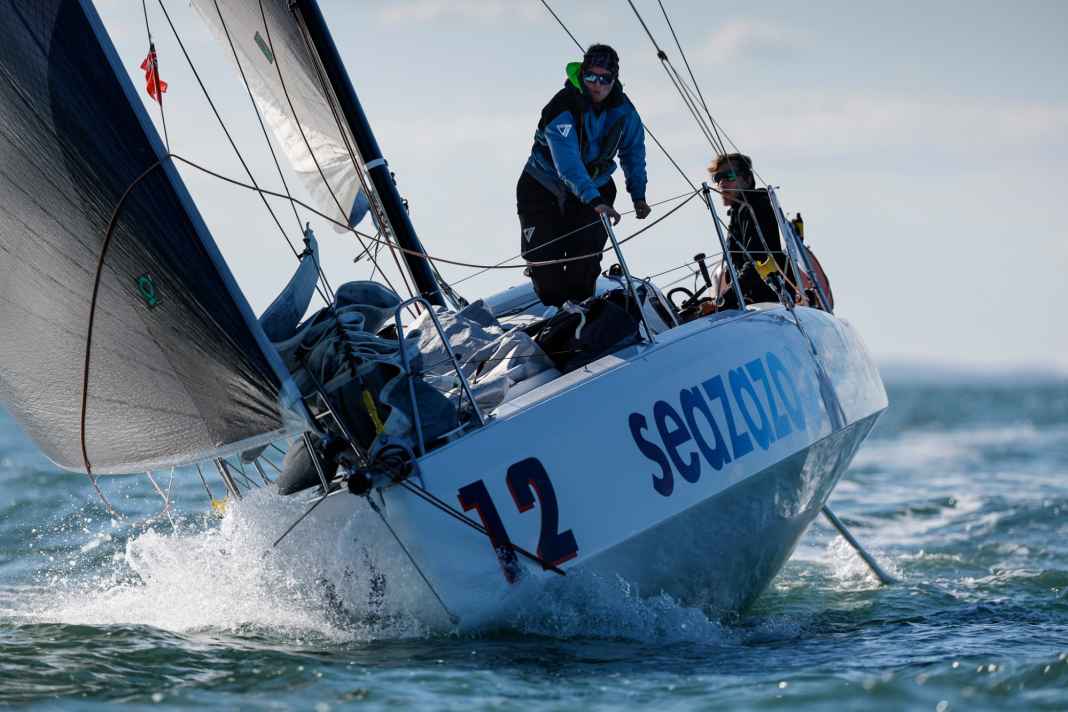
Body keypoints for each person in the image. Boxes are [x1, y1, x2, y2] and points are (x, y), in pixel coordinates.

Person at [517, 44, 650, 307]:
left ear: (614, 80)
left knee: (584, 264)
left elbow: (633, 151)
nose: (597, 85)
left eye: (604, 79)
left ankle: (585, 320)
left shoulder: (624, 110)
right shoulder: (562, 107)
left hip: (595, 187)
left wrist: (639, 195)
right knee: (546, 268)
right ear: (583, 74)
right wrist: (594, 200)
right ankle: (556, 315)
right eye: (591, 77)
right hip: (543, 188)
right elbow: (567, 165)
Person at [708, 153, 790, 309]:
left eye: (729, 176)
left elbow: (757, 263)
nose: (722, 183)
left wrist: (726, 300)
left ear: (747, 179)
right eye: (717, 178)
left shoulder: (753, 207)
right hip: (754, 300)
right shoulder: (739, 210)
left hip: (767, 303)